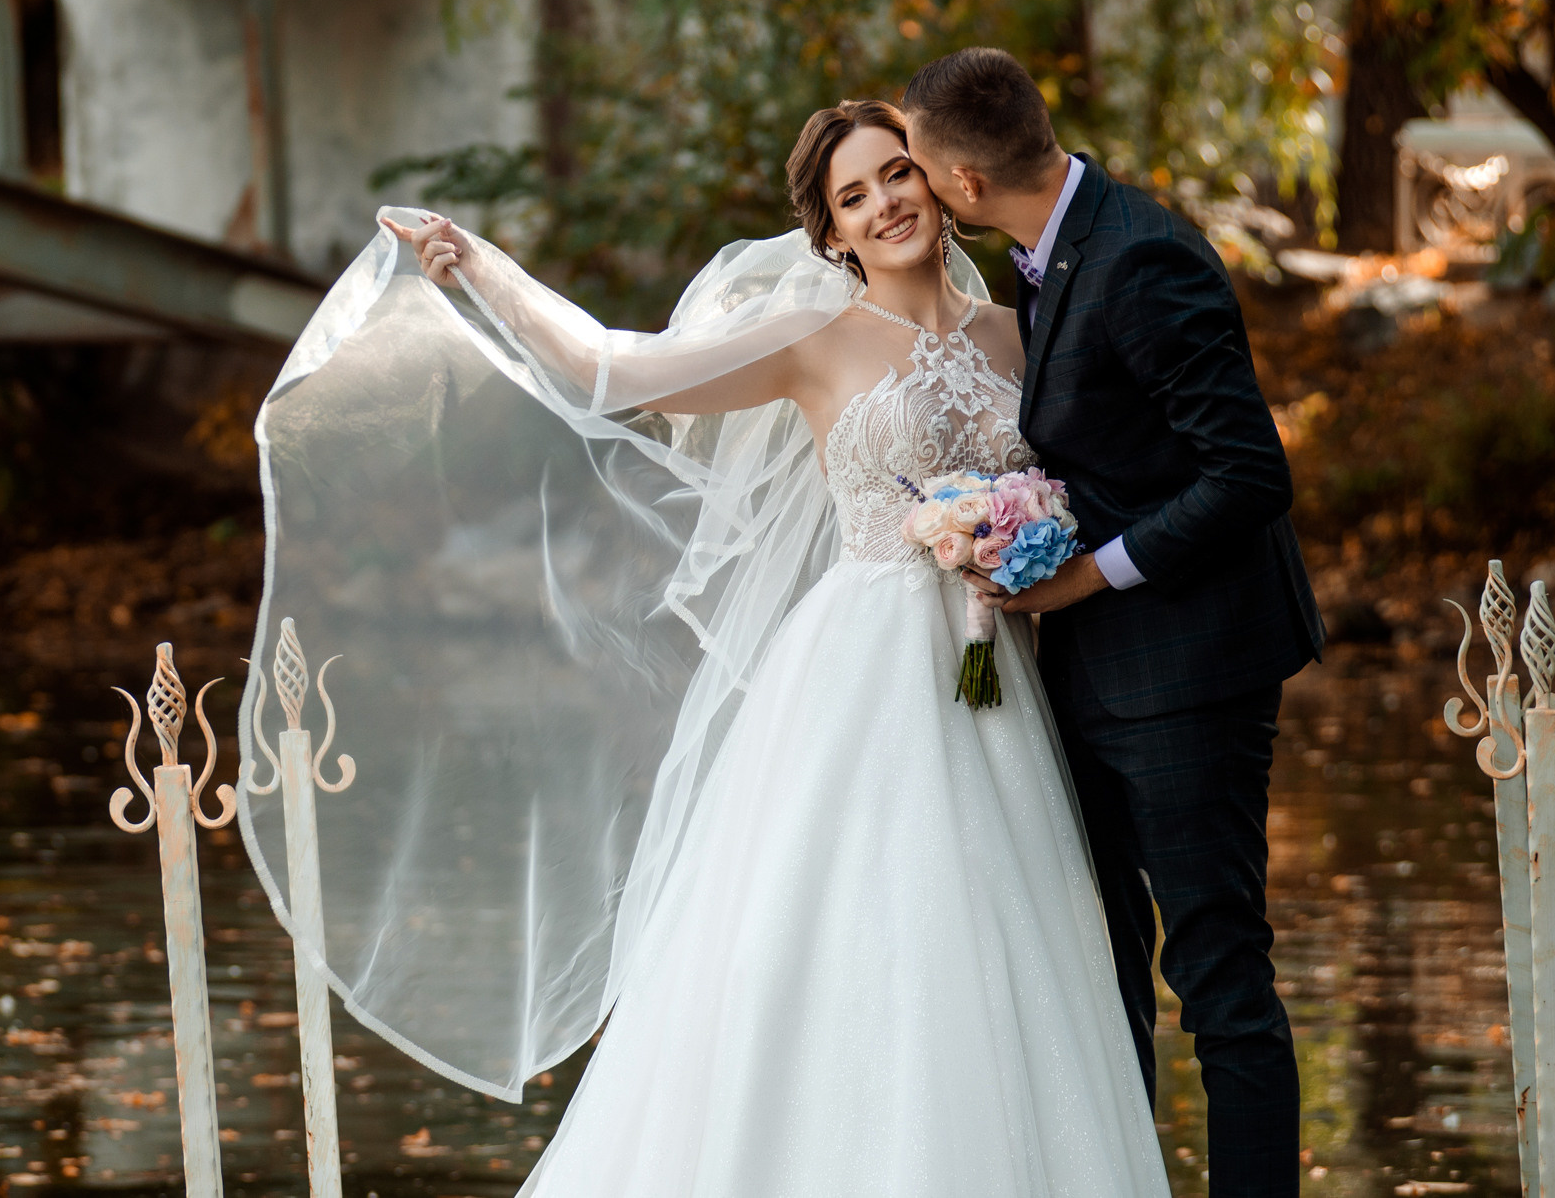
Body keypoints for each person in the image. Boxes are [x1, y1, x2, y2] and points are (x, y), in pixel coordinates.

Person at [240, 99, 1169, 1196]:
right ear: (829, 236)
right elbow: (615, 371)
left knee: (1003, 946)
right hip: (864, 671)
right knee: (845, 935)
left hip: (1002, 676)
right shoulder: (813, 340)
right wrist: (483, 273)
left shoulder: (1021, 336)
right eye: (852, 198)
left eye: (895, 176)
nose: (884, 206)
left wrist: (1032, 540)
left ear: (939, 181)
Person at [904, 47, 1322, 1198]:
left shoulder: (1142, 258)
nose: (919, 199)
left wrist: (1086, 575)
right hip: (1088, 678)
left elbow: (1247, 474)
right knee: (1104, 978)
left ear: (967, 188)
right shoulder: (1050, 253)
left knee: (1221, 978)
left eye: (924, 176)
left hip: (1191, 671)